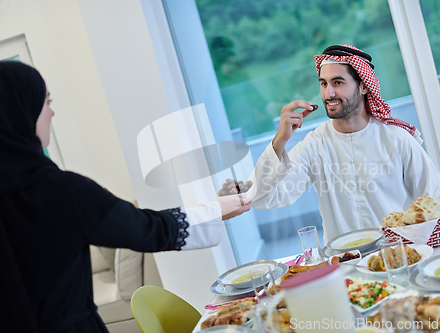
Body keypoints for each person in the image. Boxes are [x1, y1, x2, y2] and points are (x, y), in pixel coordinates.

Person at [0, 61, 252, 332]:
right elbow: (148, 229)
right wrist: (217, 209)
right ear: (20, 112)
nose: (51, 112)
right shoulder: (59, 191)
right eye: (45, 102)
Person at [250, 44, 440, 244]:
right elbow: (262, 197)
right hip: (346, 267)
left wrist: (432, 226)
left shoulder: (397, 139)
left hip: (399, 259)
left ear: (363, 87)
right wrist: (280, 141)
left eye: (338, 83)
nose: (328, 93)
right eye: (323, 84)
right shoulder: (314, 145)